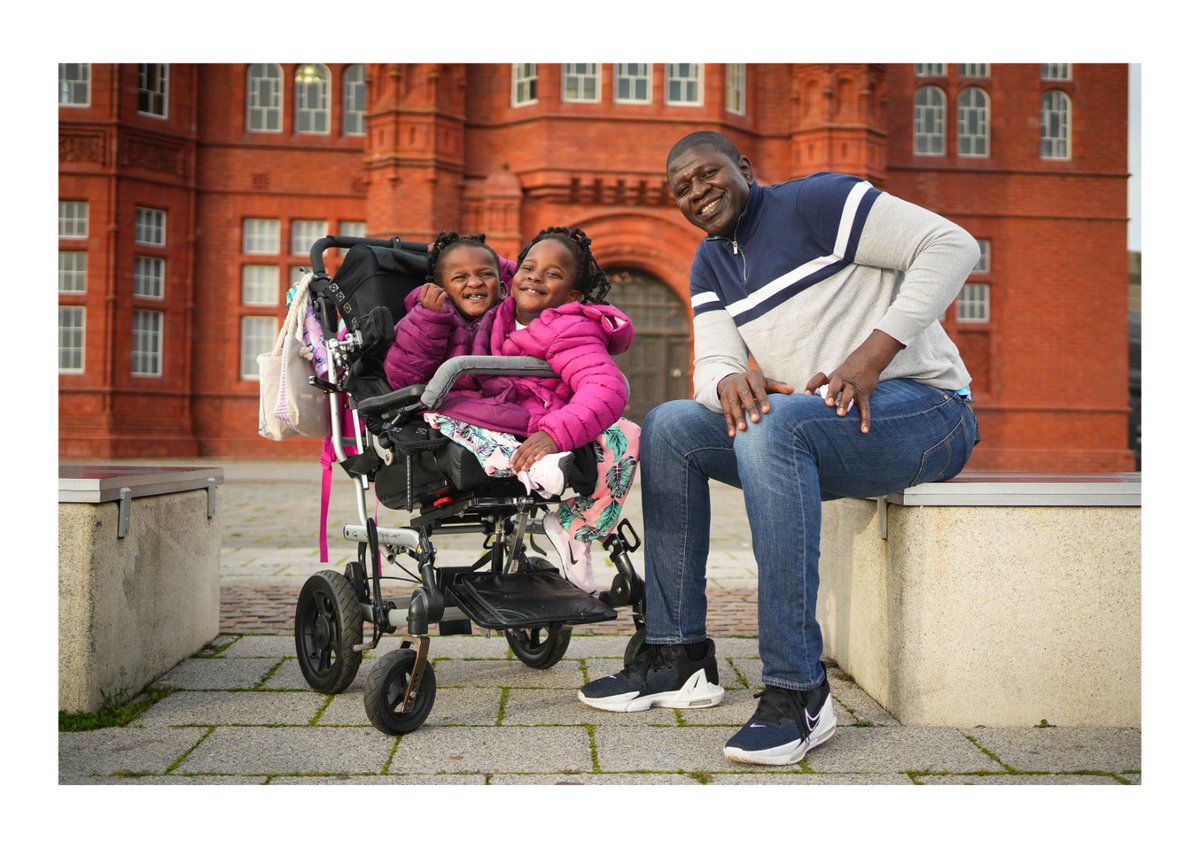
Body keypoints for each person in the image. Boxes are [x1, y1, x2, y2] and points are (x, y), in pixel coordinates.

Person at [576, 130, 980, 766]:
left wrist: (873, 355)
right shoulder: (710, 262)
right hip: (826, 423)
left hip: (928, 412)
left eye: (708, 175)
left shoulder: (819, 202)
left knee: (775, 424)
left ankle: (799, 689)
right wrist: (728, 379)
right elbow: (710, 363)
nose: (697, 192)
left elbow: (952, 245)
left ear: (744, 167)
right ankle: (677, 654)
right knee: (671, 426)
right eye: (681, 188)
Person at [386, 228, 641, 593]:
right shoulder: (487, 307)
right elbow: (405, 373)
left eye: (552, 274)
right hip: (483, 414)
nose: (535, 276)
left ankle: (576, 525)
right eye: (527, 268)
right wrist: (450, 261)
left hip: (535, 420)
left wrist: (555, 434)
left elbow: (605, 387)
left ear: (571, 294)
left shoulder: (569, 326)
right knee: (452, 416)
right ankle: (533, 469)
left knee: (625, 434)